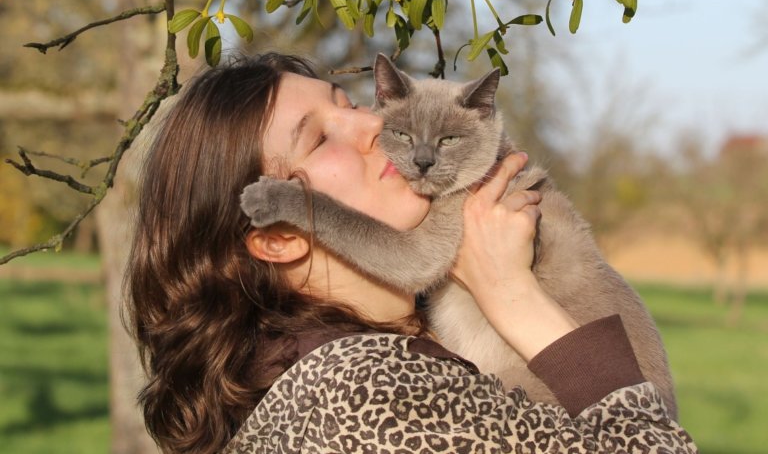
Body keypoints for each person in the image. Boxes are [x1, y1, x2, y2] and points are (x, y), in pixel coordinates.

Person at [125, 52, 698, 454]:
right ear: (276, 233)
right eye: (320, 137)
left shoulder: (344, 363)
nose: (370, 126)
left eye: (349, 102)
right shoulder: (359, 396)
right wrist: (512, 294)